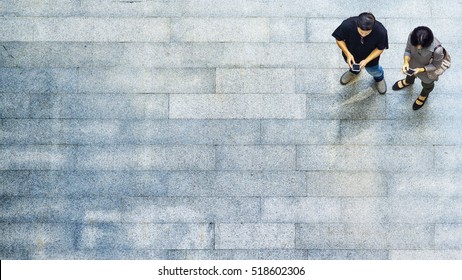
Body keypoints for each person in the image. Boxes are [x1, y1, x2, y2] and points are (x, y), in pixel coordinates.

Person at [332, 12, 389, 94]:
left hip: (371, 59)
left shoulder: (381, 31)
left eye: (366, 33)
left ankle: (379, 78)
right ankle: (354, 72)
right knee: (352, 66)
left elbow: (380, 48)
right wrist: (348, 54)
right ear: (357, 25)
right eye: (361, 32)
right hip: (351, 55)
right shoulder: (347, 25)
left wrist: (366, 60)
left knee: (374, 70)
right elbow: (339, 39)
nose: (363, 35)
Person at [392, 26, 444, 110]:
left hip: (427, 71)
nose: (418, 48)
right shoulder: (412, 36)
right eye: (416, 45)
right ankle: (408, 82)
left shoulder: (438, 50)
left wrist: (421, 70)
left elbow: (436, 65)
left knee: (427, 85)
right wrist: (406, 62)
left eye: (421, 46)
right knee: (410, 75)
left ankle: (424, 94)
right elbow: (408, 50)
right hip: (412, 64)